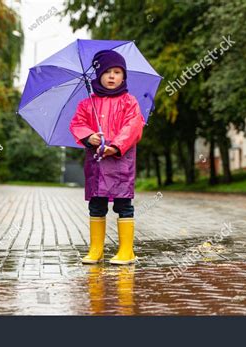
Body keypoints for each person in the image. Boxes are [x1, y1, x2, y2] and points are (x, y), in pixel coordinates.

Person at [69, 49, 145, 265]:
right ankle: (96, 249)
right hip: (97, 164)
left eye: (117, 72)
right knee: (96, 204)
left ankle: (126, 251)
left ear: (124, 76)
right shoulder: (87, 104)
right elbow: (77, 124)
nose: (112, 76)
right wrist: (89, 137)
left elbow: (133, 126)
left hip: (121, 162)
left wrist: (115, 146)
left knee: (124, 205)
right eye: (107, 72)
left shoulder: (129, 102)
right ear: (98, 74)